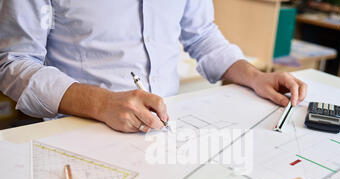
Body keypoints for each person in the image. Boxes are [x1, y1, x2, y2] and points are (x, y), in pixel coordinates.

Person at [0, 0, 307, 133]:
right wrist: (102, 103)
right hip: (77, 129)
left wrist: (255, 77)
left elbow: (200, 34)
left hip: (166, 128)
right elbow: (13, 61)